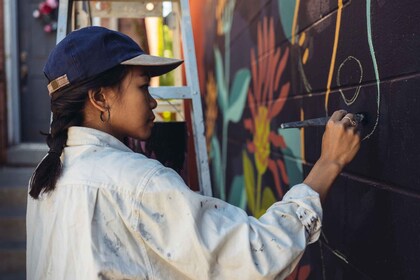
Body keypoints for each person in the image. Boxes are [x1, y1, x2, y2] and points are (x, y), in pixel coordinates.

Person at [26, 26, 361, 280]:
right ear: (100, 98)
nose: (153, 101)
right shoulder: (136, 181)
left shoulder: (46, 176)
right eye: (144, 86)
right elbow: (254, 257)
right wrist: (329, 163)